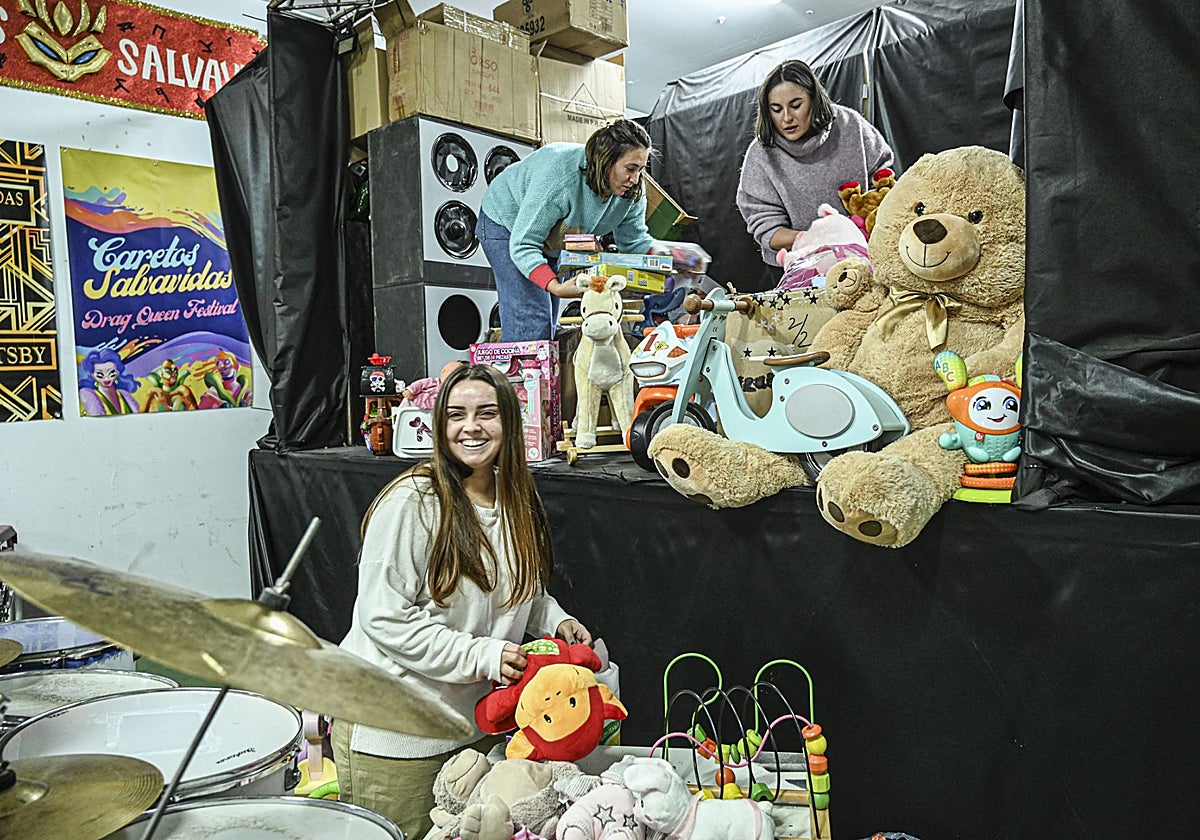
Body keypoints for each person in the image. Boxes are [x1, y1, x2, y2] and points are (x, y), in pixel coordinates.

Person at [332, 363, 593, 839]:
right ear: (439, 426)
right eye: (456, 415)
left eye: (486, 413)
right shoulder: (412, 502)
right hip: (398, 738)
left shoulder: (515, 499)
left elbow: (520, 590)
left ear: (510, 424)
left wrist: (555, 621)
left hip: (473, 735)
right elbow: (384, 618)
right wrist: (483, 656)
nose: (471, 427)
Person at [478, 119, 656, 342]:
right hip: (506, 223)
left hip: (551, 239)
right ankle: (525, 374)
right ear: (606, 160)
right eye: (630, 169)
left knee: (548, 326)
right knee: (532, 320)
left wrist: (672, 260)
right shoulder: (561, 177)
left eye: (641, 169)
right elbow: (523, 245)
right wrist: (556, 288)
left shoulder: (632, 191)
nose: (635, 179)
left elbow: (634, 241)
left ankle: (542, 373)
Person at [736, 59, 894, 267]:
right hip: (804, 267)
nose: (786, 118)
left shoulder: (851, 125)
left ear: (814, 99)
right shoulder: (760, 156)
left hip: (872, 254)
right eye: (776, 109)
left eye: (795, 106)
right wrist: (822, 238)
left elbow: (885, 186)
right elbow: (768, 231)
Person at [78, 347, 141, 416]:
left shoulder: (124, 394)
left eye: (111, 373)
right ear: (93, 375)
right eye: (100, 374)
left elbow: (139, 414)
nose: (106, 378)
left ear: (117, 372)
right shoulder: (88, 394)